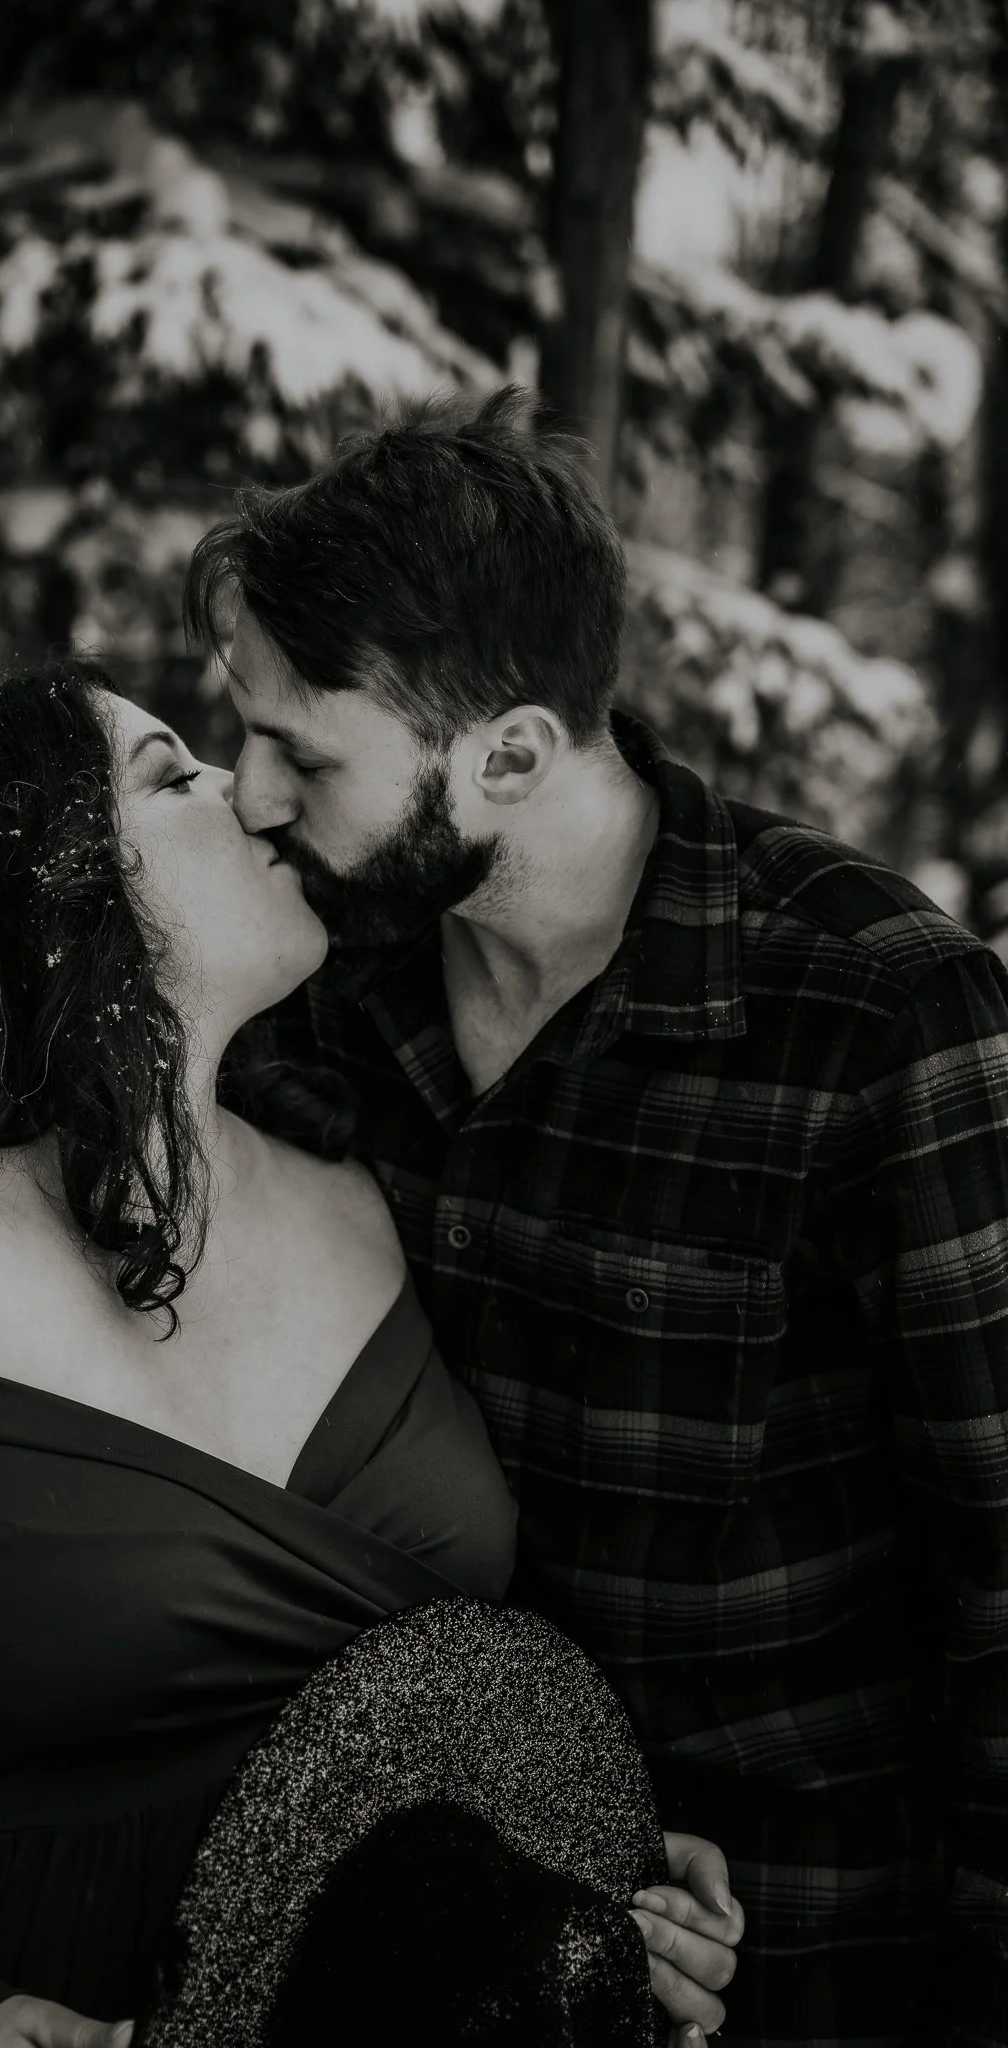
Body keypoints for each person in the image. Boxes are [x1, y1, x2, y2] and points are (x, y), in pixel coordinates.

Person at [0, 666, 736, 2048]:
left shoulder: (369, 1199)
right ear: (39, 891)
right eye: (171, 775)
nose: (251, 794)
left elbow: (442, 1721)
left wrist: (595, 1895)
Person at [185, 385, 1008, 2048]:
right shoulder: (319, 993)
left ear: (510, 752)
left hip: (819, 1968)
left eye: (304, 750)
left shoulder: (876, 1019)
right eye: (240, 729)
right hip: (433, 1958)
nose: (251, 795)